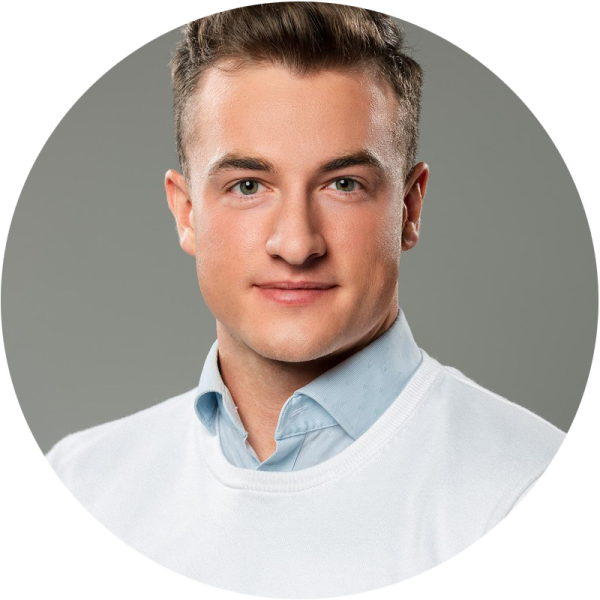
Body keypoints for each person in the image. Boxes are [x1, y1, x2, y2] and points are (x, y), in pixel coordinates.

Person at [45, 4, 566, 596]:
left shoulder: (520, 481)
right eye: (248, 186)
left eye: (344, 184)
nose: (296, 244)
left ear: (409, 208)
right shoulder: (85, 485)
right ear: (186, 213)